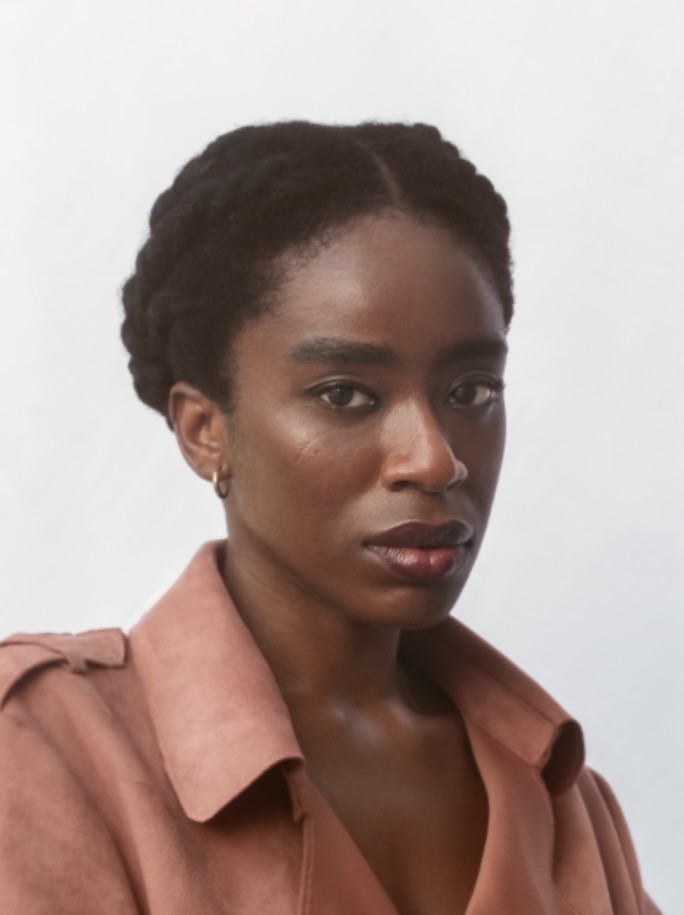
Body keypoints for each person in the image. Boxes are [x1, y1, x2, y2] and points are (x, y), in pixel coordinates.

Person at [0, 121, 661, 915]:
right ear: (204, 429)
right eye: (346, 394)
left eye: (471, 391)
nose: (435, 458)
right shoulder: (50, 747)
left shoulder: (570, 802)